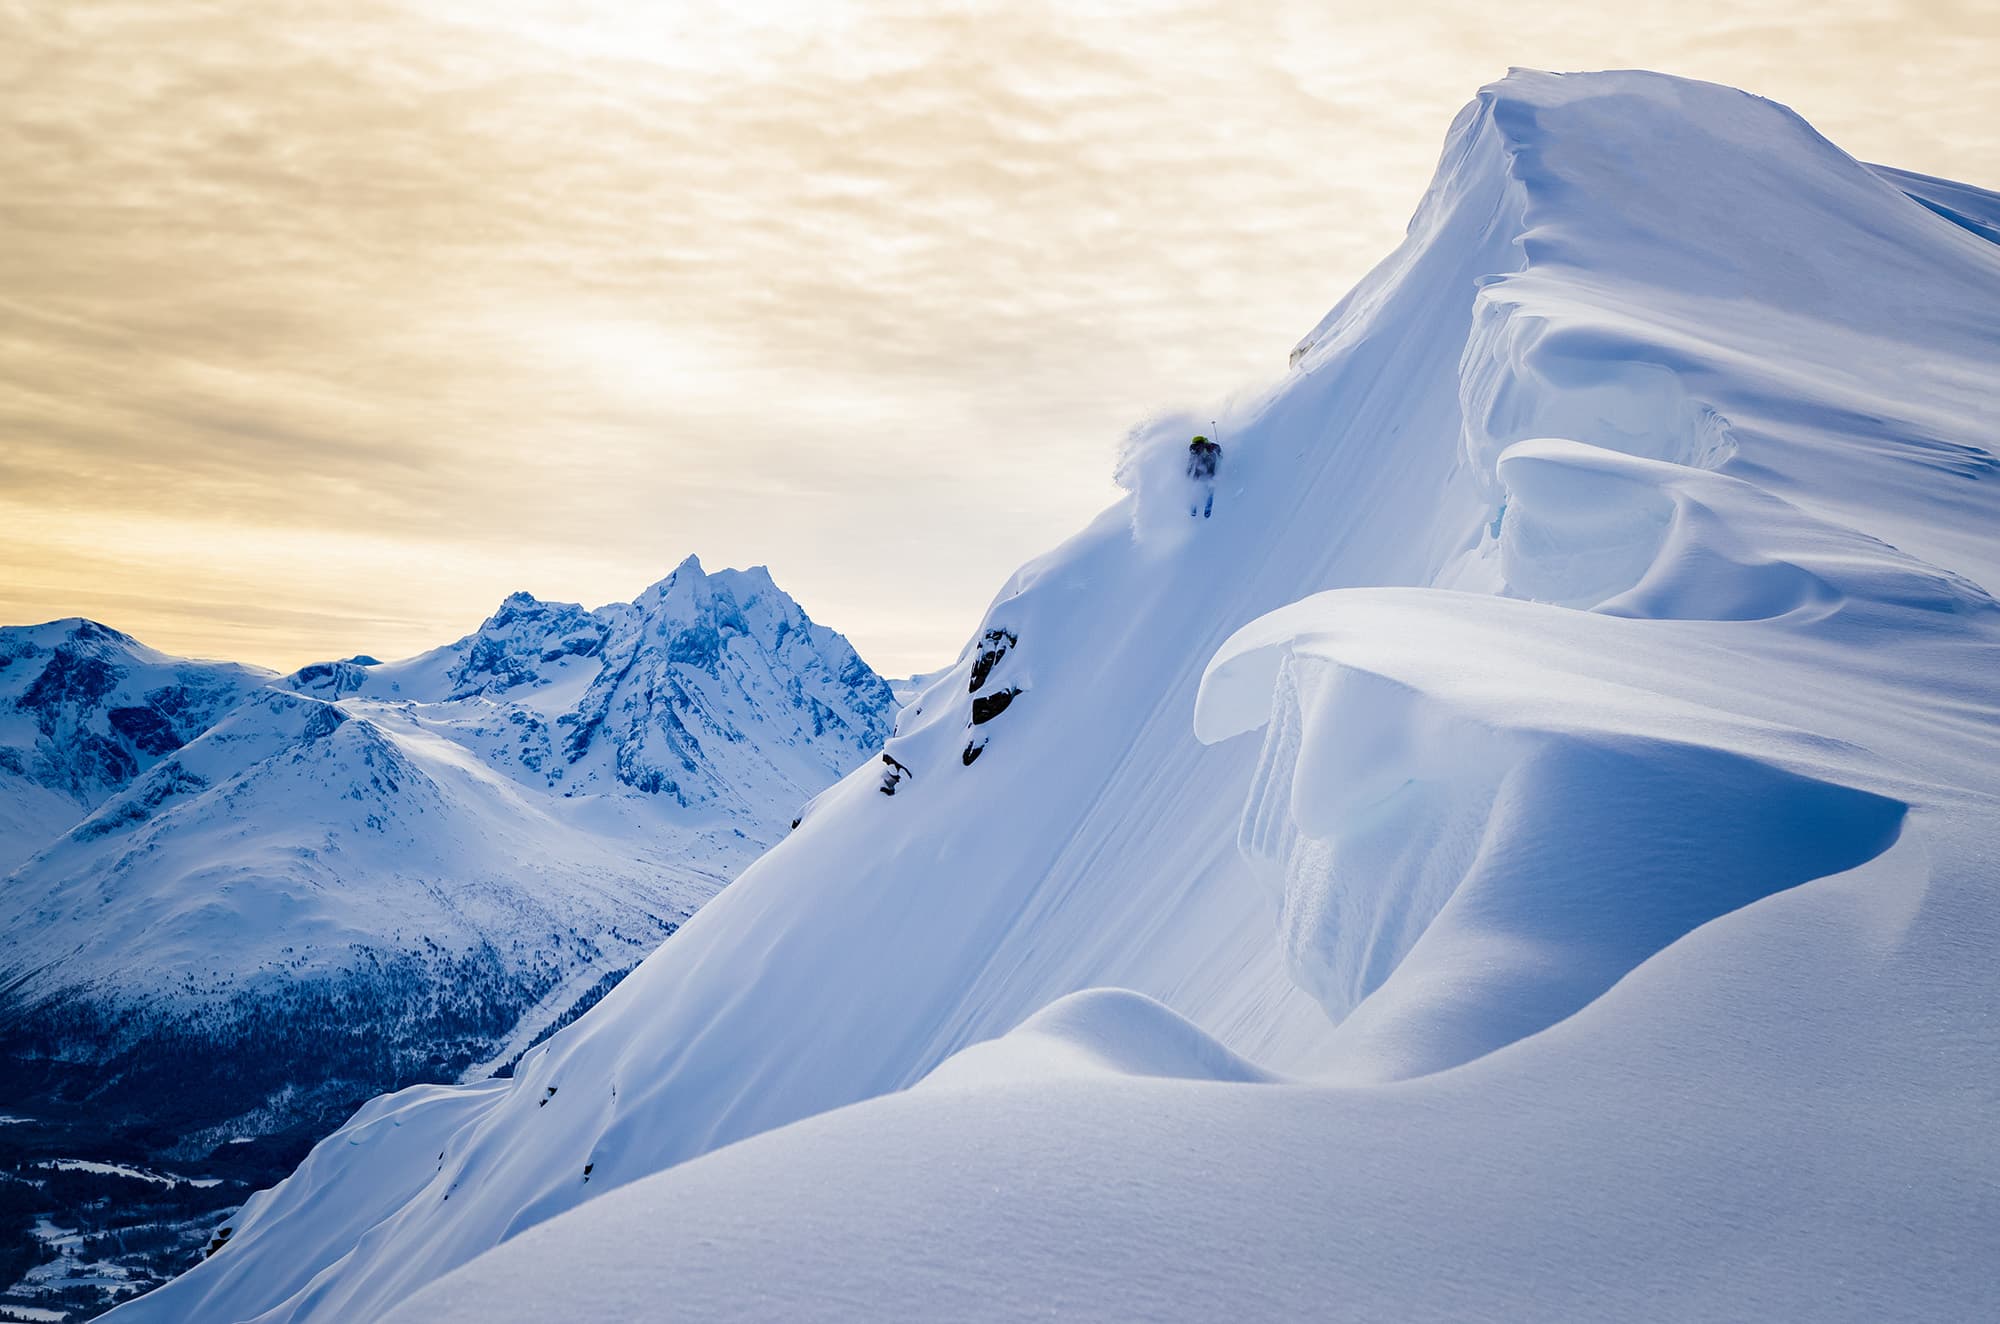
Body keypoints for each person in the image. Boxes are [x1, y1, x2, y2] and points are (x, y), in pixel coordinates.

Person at [1187, 434, 1221, 518]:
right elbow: (1218, 449)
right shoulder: (1208, 446)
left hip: (1200, 472)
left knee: (1197, 489)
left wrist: (1188, 472)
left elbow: (1191, 462)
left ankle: (1193, 508)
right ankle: (1206, 509)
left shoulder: (1195, 449)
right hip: (1208, 471)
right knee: (1209, 488)